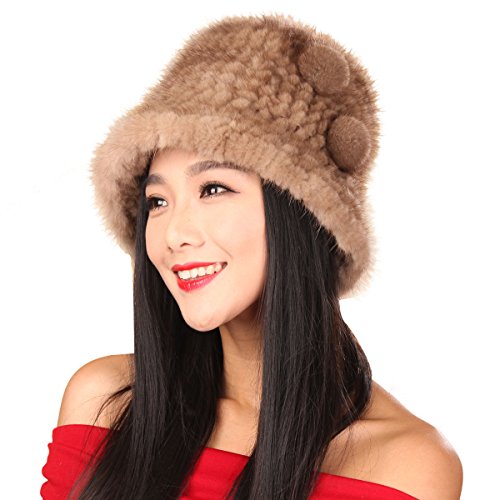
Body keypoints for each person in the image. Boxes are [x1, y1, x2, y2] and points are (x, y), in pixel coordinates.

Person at [40, 13, 463, 500]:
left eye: (213, 188)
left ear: (301, 212)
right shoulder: (105, 404)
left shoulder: (405, 465)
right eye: (157, 201)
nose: (174, 233)